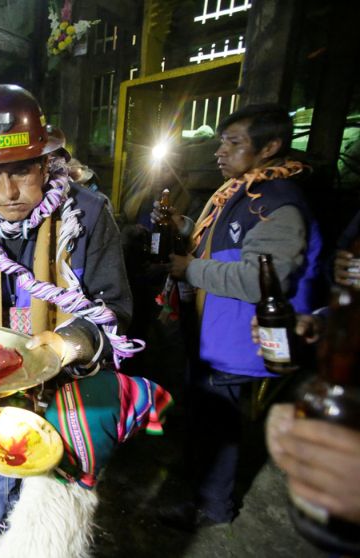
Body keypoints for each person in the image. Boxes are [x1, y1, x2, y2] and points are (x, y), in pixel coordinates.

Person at [0, 84, 141, 542]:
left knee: (52, 504)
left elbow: (115, 307)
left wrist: (63, 343)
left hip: (67, 383)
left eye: (21, 171)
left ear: (45, 163)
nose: (8, 191)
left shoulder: (87, 215)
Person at [162, 104, 322, 528]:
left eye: (234, 143)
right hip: (214, 334)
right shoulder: (240, 193)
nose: (220, 152)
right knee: (204, 417)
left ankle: (212, 507)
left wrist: (189, 269)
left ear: (270, 147)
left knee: (220, 426)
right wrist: (189, 227)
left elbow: (260, 280)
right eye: (221, 142)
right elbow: (226, 246)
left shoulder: (277, 204)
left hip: (237, 342)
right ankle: (198, 484)